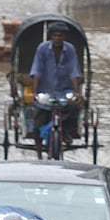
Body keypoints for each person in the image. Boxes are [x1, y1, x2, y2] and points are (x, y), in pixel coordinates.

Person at [30, 20, 83, 158]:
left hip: (65, 91)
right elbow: (37, 71)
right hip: (46, 91)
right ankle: (38, 152)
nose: (57, 38)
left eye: (60, 35)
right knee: (37, 121)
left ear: (64, 37)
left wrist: (77, 93)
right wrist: (34, 93)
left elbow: (74, 71)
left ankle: (66, 130)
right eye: (55, 35)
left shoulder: (70, 49)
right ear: (51, 36)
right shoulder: (42, 49)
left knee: (74, 107)